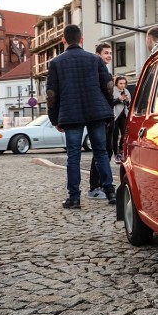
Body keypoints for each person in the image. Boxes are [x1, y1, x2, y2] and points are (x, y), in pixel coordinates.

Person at [46, 25, 116, 209]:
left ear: (64, 40)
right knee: (101, 152)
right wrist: (108, 111)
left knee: (73, 157)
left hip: (71, 114)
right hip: (96, 112)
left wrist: (55, 119)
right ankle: (111, 192)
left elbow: (52, 94)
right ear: (82, 40)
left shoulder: (56, 63)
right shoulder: (94, 59)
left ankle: (74, 198)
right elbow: (108, 86)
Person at [88, 43, 114, 200]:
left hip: (107, 115)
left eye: (110, 53)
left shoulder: (105, 71)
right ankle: (95, 186)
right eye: (106, 53)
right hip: (100, 115)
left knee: (106, 150)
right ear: (98, 54)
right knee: (100, 151)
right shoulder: (96, 71)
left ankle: (104, 184)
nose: (109, 55)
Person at [112, 76, 131, 163]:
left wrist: (126, 101)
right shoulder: (112, 90)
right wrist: (119, 99)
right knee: (114, 136)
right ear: (116, 83)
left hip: (123, 115)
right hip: (115, 115)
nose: (122, 85)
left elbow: (128, 105)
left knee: (124, 134)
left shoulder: (126, 91)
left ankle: (121, 150)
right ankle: (116, 154)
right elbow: (110, 103)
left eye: (124, 83)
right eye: (120, 83)